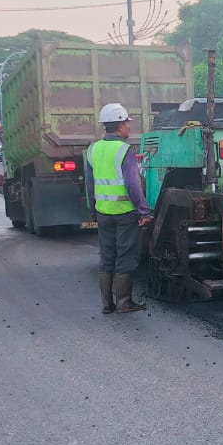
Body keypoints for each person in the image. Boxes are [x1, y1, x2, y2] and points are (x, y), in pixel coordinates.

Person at [85, 103, 152, 314]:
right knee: (126, 255)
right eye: (127, 123)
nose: (129, 127)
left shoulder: (93, 149)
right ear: (119, 125)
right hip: (124, 212)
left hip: (103, 212)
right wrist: (144, 211)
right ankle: (124, 302)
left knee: (106, 256)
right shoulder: (124, 150)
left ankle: (107, 304)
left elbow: (89, 184)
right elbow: (133, 185)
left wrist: (93, 209)